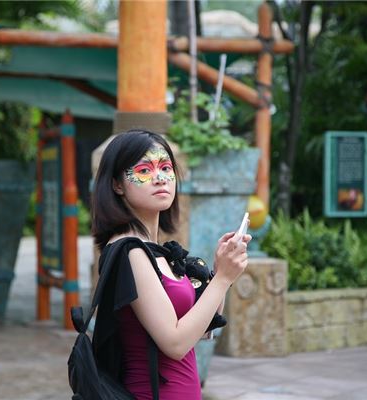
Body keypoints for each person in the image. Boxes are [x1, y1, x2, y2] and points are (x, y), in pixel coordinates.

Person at [91, 129, 250, 399]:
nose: (160, 178)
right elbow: (175, 344)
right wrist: (223, 278)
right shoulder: (129, 251)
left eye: (166, 168)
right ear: (117, 185)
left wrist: (219, 271)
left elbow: (202, 329)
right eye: (144, 170)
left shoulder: (156, 252)